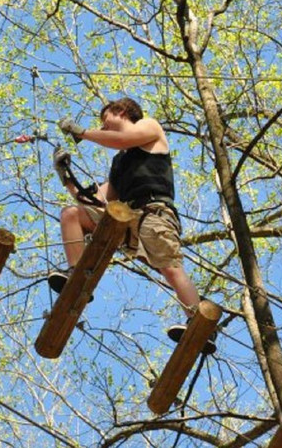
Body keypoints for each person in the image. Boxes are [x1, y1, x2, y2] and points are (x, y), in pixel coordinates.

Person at [50, 97, 213, 351]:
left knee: (169, 267)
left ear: (122, 111)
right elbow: (97, 200)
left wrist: (81, 132)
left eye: (105, 120)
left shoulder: (149, 127)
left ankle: (199, 323)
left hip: (154, 212)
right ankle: (76, 277)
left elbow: (122, 139)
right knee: (72, 214)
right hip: (126, 218)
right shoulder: (120, 162)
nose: (103, 127)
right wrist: (66, 178)